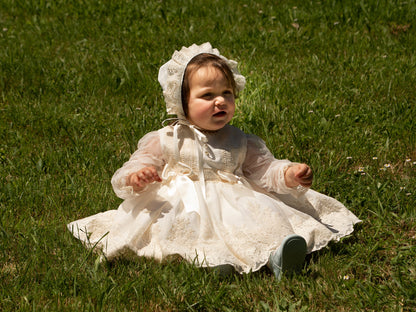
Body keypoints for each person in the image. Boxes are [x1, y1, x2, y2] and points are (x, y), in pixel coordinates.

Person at [68, 42, 360, 279]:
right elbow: (137, 163)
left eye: (226, 94)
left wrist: (288, 174)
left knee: (260, 225)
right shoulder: (167, 138)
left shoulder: (240, 139)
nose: (220, 101)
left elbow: (263, 169)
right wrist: (138, 175)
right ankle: (213, 263)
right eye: (207, 95)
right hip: (181, 206)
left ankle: (278, 256)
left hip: (235, 204)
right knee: (176, 231)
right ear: (182, 102)